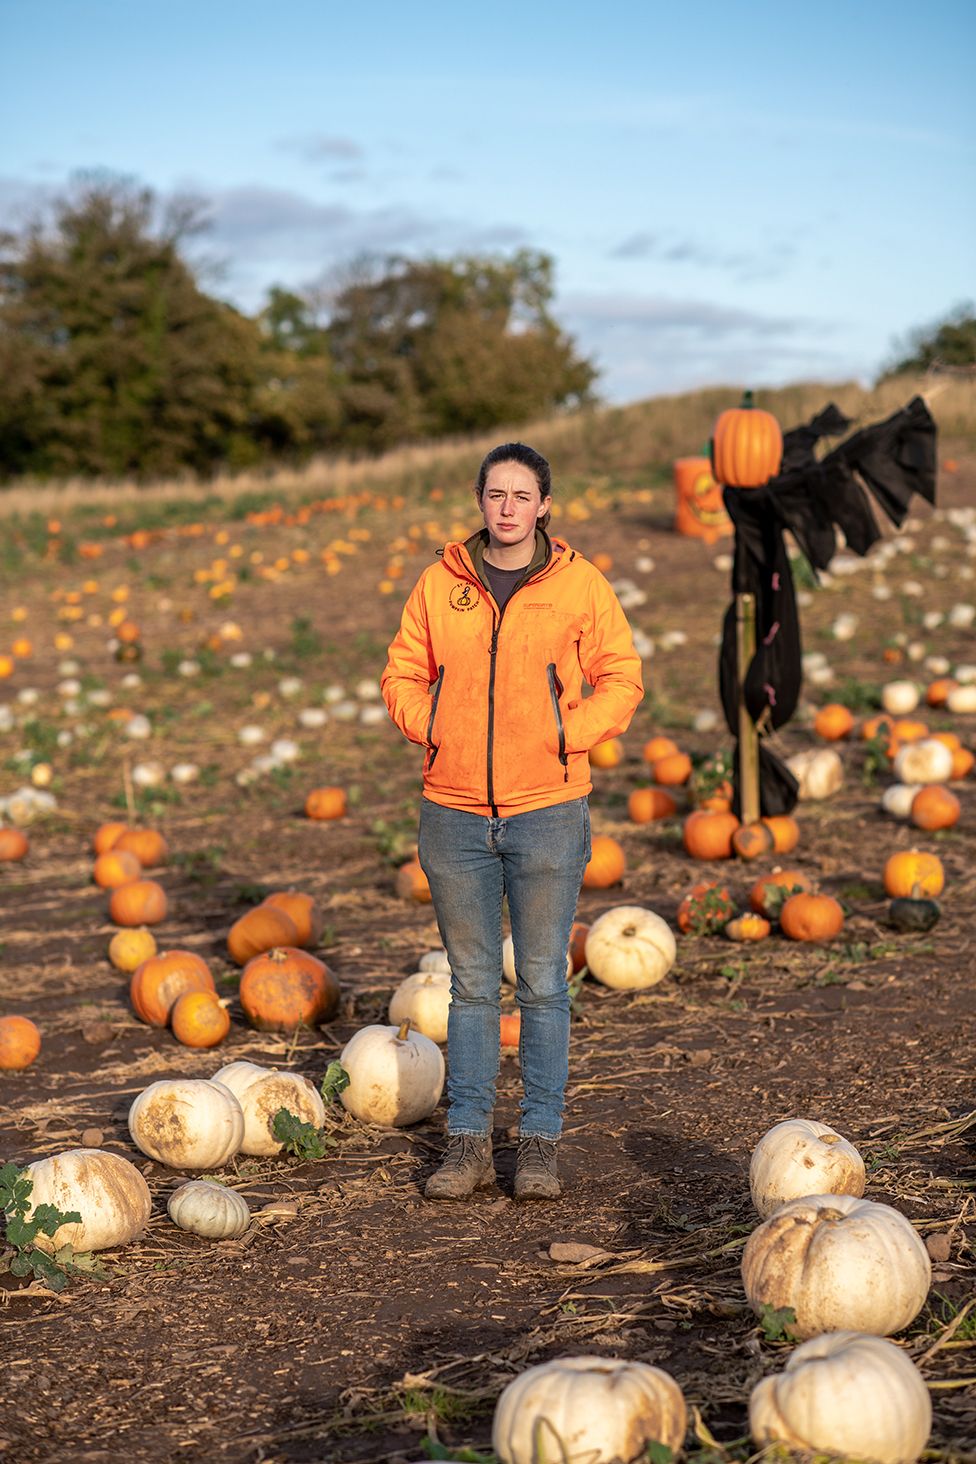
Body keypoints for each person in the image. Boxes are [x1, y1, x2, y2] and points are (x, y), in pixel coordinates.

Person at [381, 442, 643, 1200]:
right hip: (454, 813)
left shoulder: (579, 585)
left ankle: (538, 1144)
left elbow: (620, 676)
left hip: (549, 811)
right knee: (467, 986)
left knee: (541, 983)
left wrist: (569, 734)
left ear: (544, 505)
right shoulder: (441, 585)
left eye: (521, 495)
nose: (507, 507)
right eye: (495, 494)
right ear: (480, 501)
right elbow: (401, 670)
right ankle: (464, 1144)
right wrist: (436, 727)